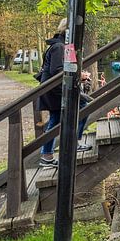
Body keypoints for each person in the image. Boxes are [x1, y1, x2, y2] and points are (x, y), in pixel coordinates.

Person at [36, 19, 91, 168]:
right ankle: (53, 152)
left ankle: (48, 154)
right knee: (80, 108)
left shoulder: (65, 46)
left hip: (59, 89)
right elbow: (58, 70)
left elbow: (70, 68)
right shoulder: (60, 47)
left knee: (60, 118)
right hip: (55, 90)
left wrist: (80, 74)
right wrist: (79, 76)